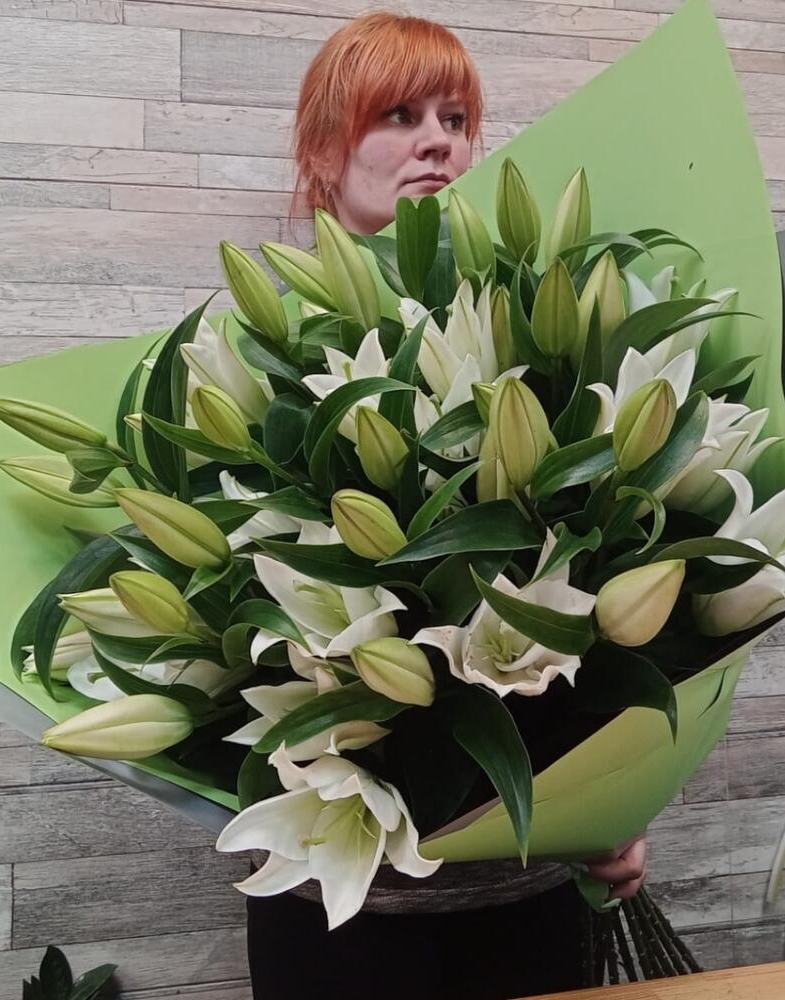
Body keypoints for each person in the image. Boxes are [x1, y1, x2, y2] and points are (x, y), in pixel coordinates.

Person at [247, 13, 648, 999]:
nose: (438, 140)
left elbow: (615, 604)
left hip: (525, 882)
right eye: (398, 114)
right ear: (323, 152)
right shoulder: (254, 368)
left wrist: (620, 795)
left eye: (456, 119)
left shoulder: (539, 344)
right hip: (342, 904)